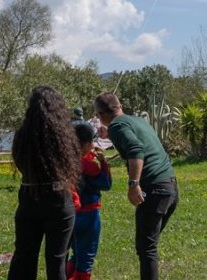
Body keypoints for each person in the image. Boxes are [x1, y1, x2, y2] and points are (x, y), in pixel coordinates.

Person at [94, 92, 178, 280]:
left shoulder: (117, 126)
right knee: (149, 244)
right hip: (170, 187)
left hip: (155, 189)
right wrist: (109, 132)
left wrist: (134, 185)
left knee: (146, 248)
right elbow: (139, 141)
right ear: (120, 105)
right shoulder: (136, 121)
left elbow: (137, 151)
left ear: (100, 115)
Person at [9, 86, 83, 280]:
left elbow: (20, 162)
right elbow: (75, 164)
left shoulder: (22, 135)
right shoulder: (66, 136)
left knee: (23, 259)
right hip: (59, 200)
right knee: (57, 261)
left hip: (29, 197)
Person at [67, 121, 112, 280]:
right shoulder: (89, 165)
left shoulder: (66, 162)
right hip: (89, 215)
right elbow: (105, 184)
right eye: (91, 142)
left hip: (71, 216)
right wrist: (103, 163)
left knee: (75, 254)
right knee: (86, 259)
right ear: (86, 144)